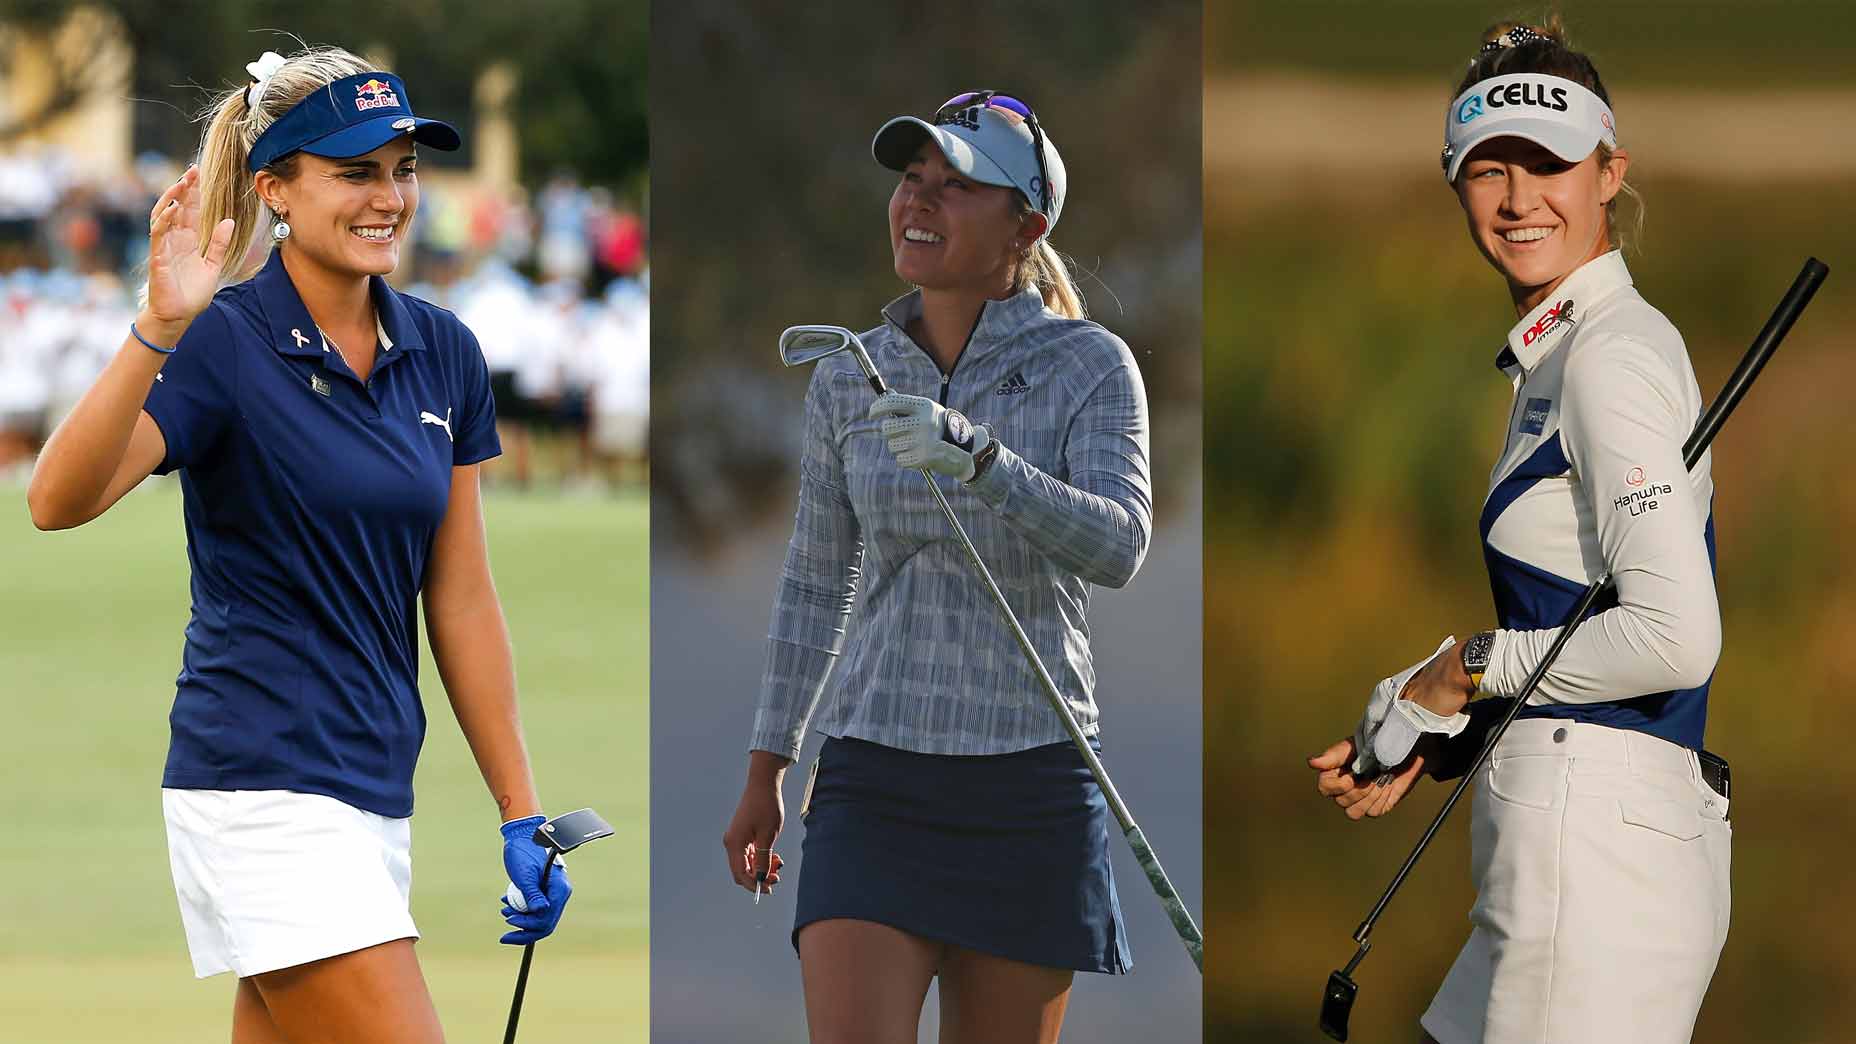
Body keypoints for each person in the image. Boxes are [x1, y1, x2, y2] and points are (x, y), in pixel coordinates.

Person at [26, 47, 575, 1043]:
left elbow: (458, 596)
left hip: (371, 789)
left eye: (403, 169)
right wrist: (157, 325)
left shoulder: (443, 351)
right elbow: (56, 501)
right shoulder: (222, 341)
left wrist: (518, 811)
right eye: (355, 171)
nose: (389, 198)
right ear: (275, 188)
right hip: (261, 784)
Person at [1306, 19, 1732, 1044]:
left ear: (1605, 172)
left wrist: (1465, 669)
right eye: (1484, 168)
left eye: (1545, 165)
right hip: (1573, 849)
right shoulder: (1564, 351)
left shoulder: (1606, 359)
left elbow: (1675, 638)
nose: (1514, 198)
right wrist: (1448, 733)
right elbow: (1577, 606)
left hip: (1594, 866)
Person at [721, 90, 1153, 1043]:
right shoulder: (851, 372)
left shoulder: (1092, 364)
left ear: (1026, 225)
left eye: (957, 186)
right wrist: (768, 766)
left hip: (1031, 780)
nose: (919, 201)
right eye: (913, 179)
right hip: (874, 777)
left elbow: (1119, 545)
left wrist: (985, 464)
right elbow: (815, 579)